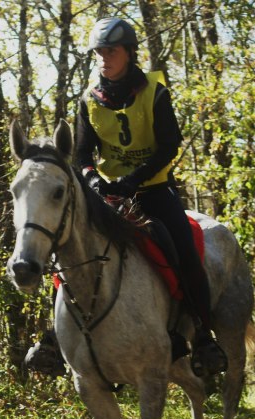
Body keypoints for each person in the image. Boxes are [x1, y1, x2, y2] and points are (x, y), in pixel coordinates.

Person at [24, 17, 228, 378]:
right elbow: (83, 155)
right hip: (106, 194)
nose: (104, 58)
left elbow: (169, 146)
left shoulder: (154, 91)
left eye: (111, 51)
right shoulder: (89, 99)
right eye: (100, 52)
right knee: (67, 248)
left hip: (153, 190)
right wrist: (92, 180)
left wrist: (133, 180)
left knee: (181, 246)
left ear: (130, 54)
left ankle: (202, 335)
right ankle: (55, 337)